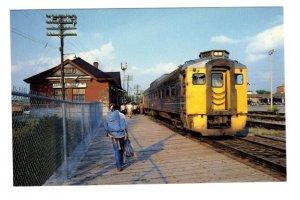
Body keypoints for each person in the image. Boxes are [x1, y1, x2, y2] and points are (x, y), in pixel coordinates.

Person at [103, 104, 128, 171]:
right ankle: (121, 163)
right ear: (119, 109)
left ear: (112, 109)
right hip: (122, 135)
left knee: (116, 151)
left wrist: (108, 132)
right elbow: (125, 125)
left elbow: (105, 125)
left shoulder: (109, 116)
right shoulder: (122, 115)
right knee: (122, 149)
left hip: (113, 135)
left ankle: (118, 166)